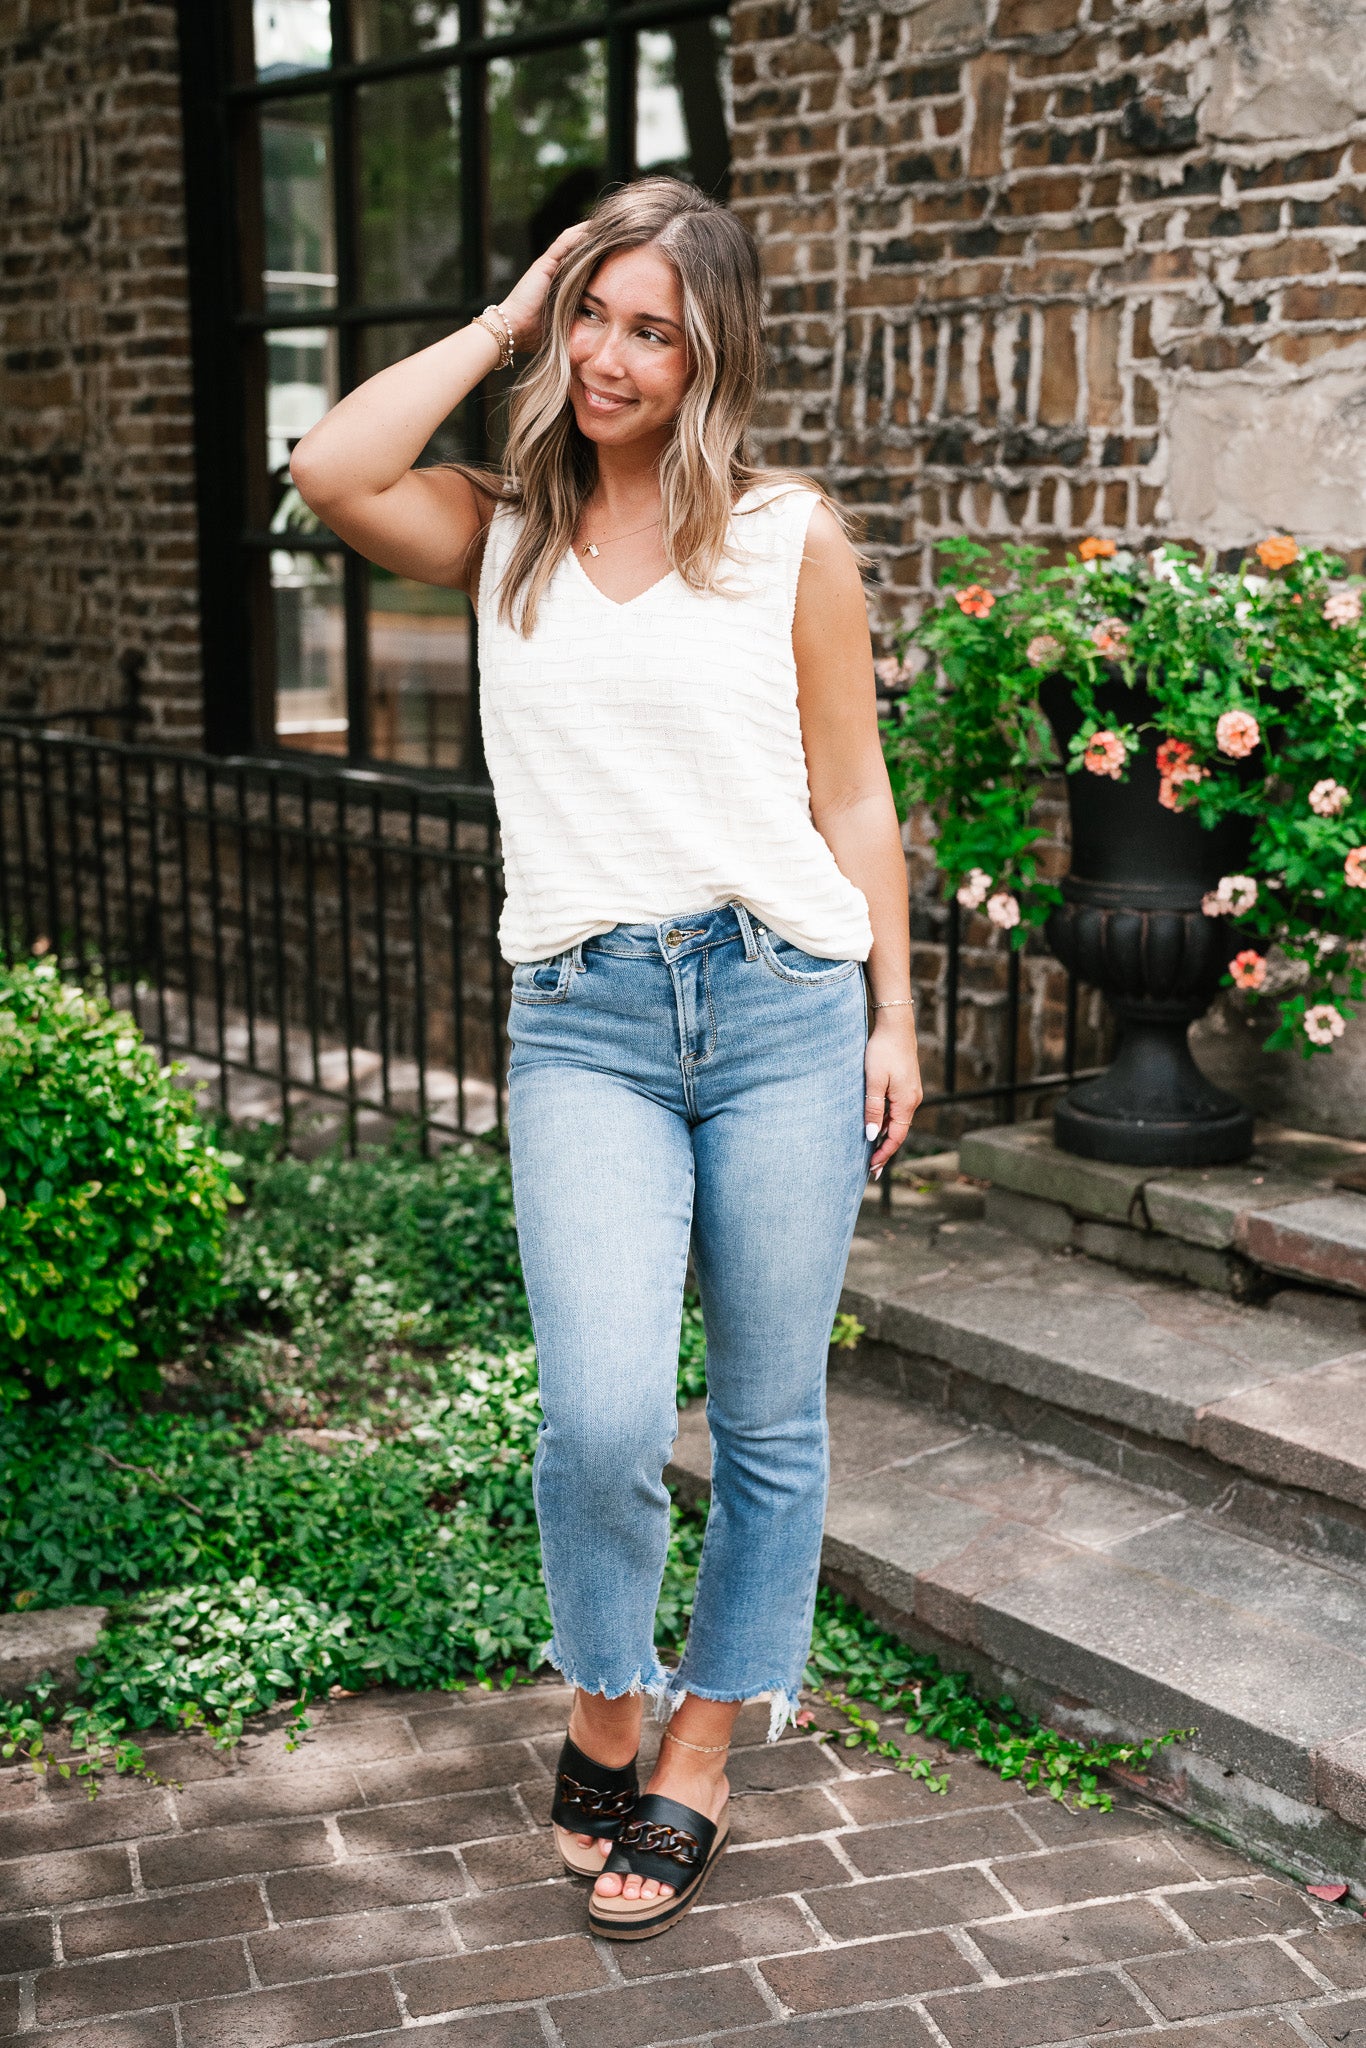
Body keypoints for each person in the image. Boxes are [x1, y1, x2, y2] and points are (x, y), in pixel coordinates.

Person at [289, 176, 922, 1942]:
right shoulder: (497, 530)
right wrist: (500, 319)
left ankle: (705, 1749)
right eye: (592, 316)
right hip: (585, 1018)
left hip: (787, 997)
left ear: (708, 348)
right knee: (602, 1417)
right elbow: (331, 469)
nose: (612, 355)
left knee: (772, 1422)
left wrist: (893, 1011)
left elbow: (851, 790)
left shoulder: (789, 534)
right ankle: (603, 1708)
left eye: (652, 326)